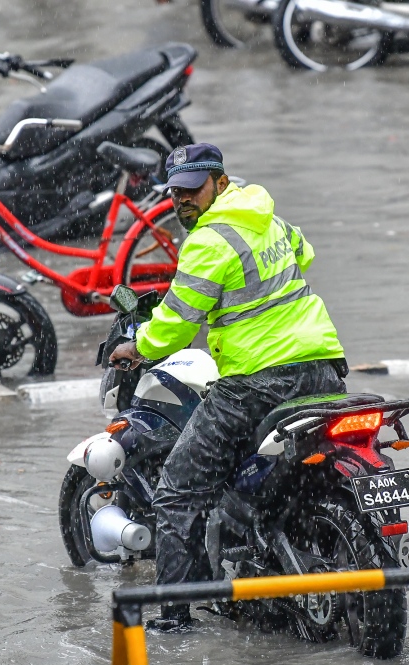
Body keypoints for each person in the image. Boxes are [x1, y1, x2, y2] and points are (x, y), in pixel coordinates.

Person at [108, 143, 348, 630]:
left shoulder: (208, 241)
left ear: (219, 182)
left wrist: (138, 348)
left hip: (257, 381)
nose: (182, 201)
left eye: (192, 189)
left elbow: (175, 322)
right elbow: (306, 252)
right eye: (174, 192)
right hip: (322, 366)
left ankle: (173, 618)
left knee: (176, 491)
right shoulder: (268, 218)